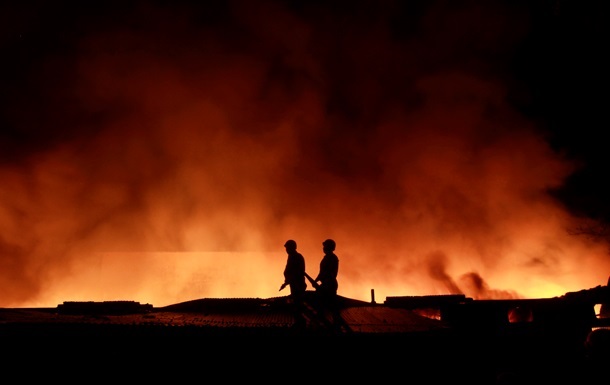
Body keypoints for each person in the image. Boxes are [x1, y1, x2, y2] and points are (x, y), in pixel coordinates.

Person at [314, 238, 346, 331]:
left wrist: (321, 282)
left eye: (325, 246)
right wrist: (317, 280)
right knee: (326, 305)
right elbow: (322, 272)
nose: (323, 248)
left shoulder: (332, 258)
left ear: (329, 247)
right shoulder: (327, 257)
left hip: (330, 284)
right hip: (326, 284)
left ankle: (336, 324)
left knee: (331, 305)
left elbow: (329, 273)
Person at [280, 239, 307, 328]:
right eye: (286, 248)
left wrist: (288, 281)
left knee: (298, 304)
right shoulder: (292, 256)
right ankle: (299, 321)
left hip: (298, 284)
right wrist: (286, 282)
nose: (286, 250)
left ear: (292, 248)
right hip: (294, 284)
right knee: (297, 303)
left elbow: (297, 273)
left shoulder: (297, 257)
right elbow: (290, 272)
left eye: (287, 248)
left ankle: (301, 322)